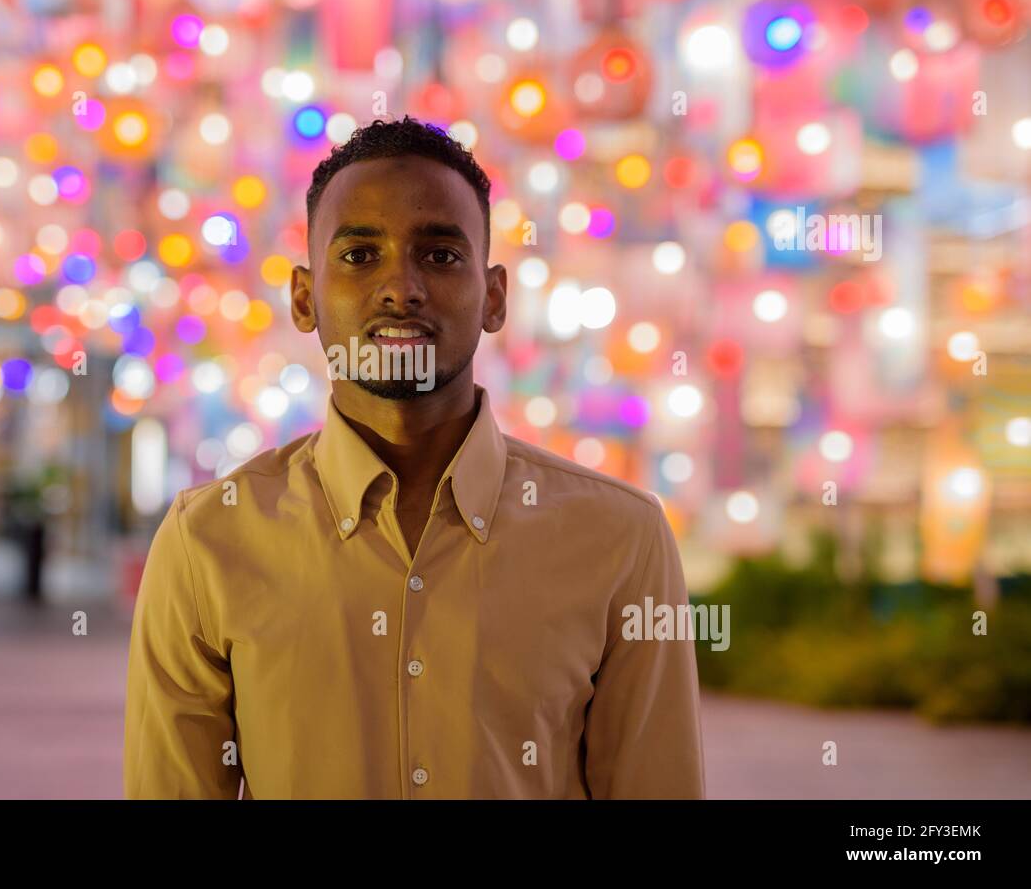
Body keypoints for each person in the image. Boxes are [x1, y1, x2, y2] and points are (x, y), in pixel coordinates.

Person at [124, 116, 705, 799]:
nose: (402, 287)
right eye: (360, 255)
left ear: (493, 297)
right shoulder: (207, 542)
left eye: (440, 254)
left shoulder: (621, 537)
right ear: (305, 298)